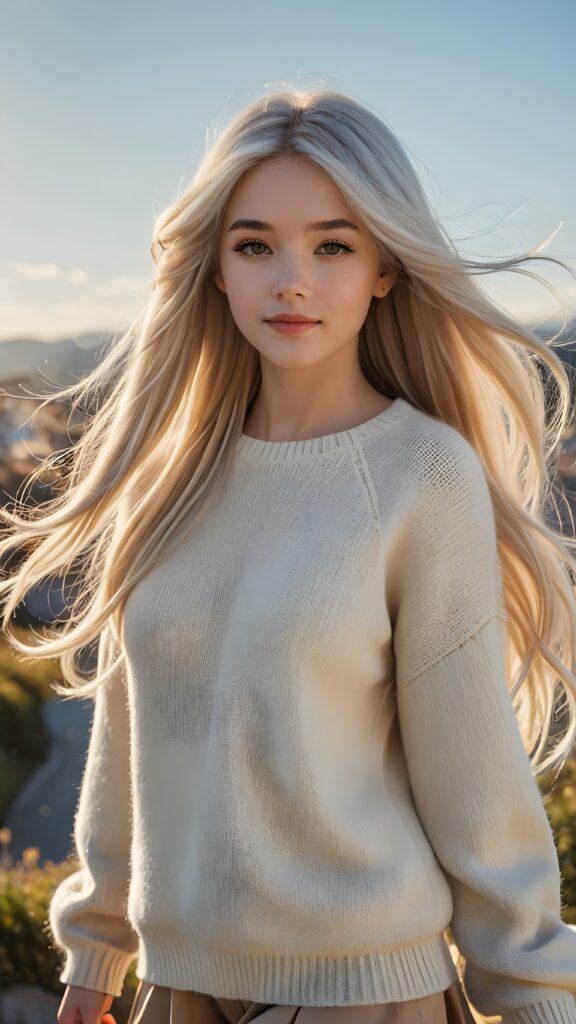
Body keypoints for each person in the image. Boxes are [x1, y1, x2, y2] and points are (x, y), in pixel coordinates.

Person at [1, 86, 575, 1024]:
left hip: (366, 996)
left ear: (386, 266)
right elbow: (131, 733)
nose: (292, 280)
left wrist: (538, 1000)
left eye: (334, 246)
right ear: (218, 268)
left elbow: (476, 787)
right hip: (176, 989)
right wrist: (95, 954)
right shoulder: (167, 475)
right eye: (256, 244)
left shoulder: (425, 474)